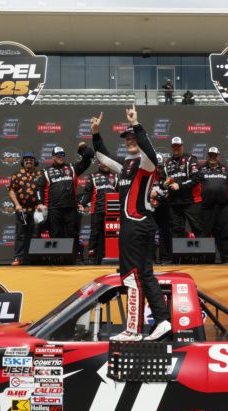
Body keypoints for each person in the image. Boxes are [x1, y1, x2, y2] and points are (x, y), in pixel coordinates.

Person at [91, 105, 171, 341]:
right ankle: (163, 320)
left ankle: (133, 330)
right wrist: (96, 133)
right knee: (145, 275)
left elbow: (151, 153)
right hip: (138, 225)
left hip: (136, 224)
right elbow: (103, 157)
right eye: (126, 138)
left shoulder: (146, 163)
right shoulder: (126, 166)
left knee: (132, 276)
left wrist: (137, 124)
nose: (129, 141)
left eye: (133, 137)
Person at [36, 143, 94, 263]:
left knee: (72, 234)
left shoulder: (72, 168)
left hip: (70, 208)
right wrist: (40, 203)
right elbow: (38, 188)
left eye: (62, 154)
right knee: (55, 235)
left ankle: (73, 259)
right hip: (53, 209)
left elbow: (88, 158)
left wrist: (82, 148)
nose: (60, 156)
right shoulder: (46, 171)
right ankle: (57, 260)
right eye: (57, 155)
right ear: (52, 157)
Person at [200, 147, 228, 264]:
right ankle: (204, 260)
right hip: (206, 208)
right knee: (205, 234)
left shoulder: (225, 169)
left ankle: (227, 259)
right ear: (208, 156)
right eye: (210, 155)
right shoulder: (201, 169)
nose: (212, 157)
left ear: (218, 156)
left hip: (223, 207)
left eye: (215, 155)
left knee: (225, 233)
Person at [163, 137, 203, 238]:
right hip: (174, 202)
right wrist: (164, 184)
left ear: (182, 146)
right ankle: (179, 254)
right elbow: (162, 180)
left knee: (198, 228)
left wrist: (179, 185)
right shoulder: (167, 162)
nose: (176, 148)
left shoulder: (190, 159)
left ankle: (203, 254)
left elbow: (196, 178)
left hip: (191, 201)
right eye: (174, 146)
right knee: (176, 230)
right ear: (172, 147)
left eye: (178, 146)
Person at [7, 152, 42, 266]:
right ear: (23, 162)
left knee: (36, 235)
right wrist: (17, 204)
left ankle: (35, 259)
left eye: (31, 159)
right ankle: (18, 258)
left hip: (36, 211)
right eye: (26, 159)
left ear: (34, 162)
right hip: (21, 210)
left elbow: (44, 190)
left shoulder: (40, 175)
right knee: (20, 235)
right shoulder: (17, 175)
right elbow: (11, 190)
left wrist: (40, 204)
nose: (28, 161)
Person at [79, 164, 118, 264]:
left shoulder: (115, 176)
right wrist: (82, 203)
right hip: (97, 210)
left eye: (107, 163)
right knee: (95, 234)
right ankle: (92, 257)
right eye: (102, 163)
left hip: (112, 211)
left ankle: (109, 256)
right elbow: (87, 192)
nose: (105, 165)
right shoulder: (93, 176)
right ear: (99, 163)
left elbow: (119, 193)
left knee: (111, 235)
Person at [150, 154, 172, 264]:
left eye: (160, 166)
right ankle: (151, 258)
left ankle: (165, 258)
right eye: (156, 166)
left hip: (163, 208)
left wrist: (157, 196)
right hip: (150, 209)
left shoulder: (167, 176)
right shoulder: (147, 177)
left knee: (165, 232)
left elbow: (168, 195)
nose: (157, 169)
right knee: (150, 233)